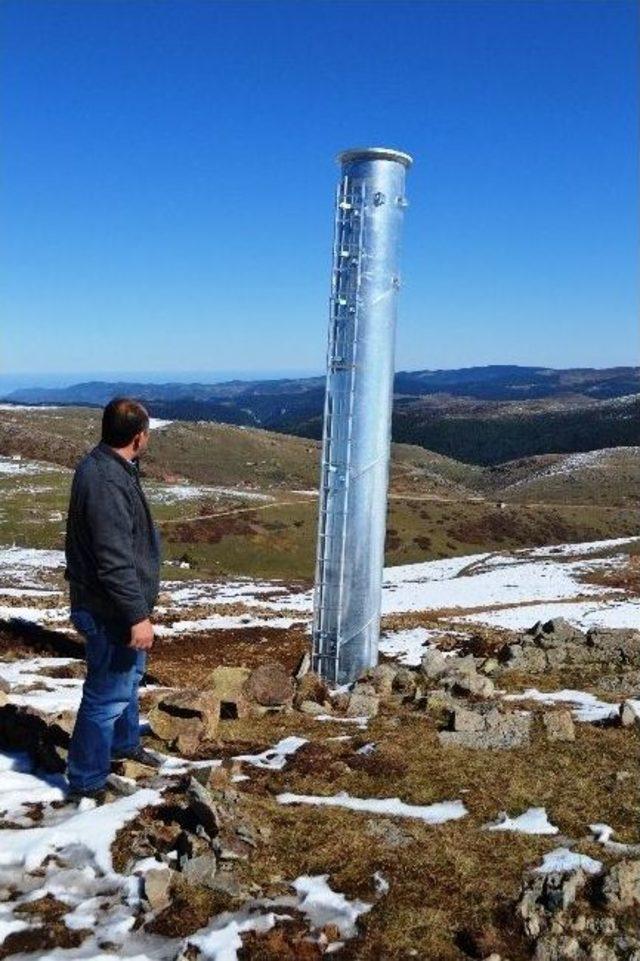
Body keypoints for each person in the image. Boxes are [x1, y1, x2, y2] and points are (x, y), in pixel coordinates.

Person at [64, 397, 162, 801]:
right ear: (138, 438)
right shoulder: (106, 481)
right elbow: (113, 560)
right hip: (109, 610)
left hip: (114, 606)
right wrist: (137, 615)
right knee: (106, 696)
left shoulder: (112, 467)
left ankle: (124, 746)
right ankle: (86, 778)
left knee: (128, 680)